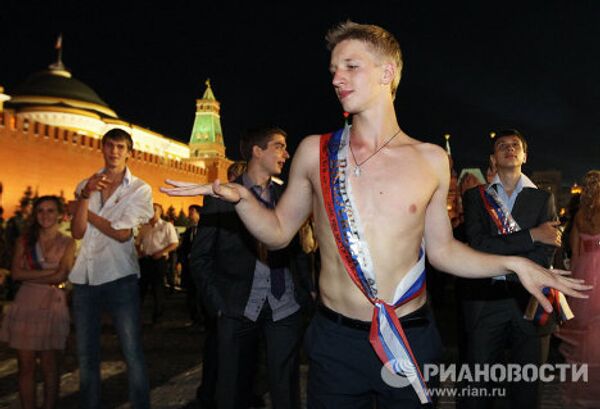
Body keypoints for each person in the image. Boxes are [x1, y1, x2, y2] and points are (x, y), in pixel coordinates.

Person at [162, 21, 588, 407]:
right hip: (335, 340)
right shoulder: (316, 151)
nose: (336, 77)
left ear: (387, 73)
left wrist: (513, 263)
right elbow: (276, 234)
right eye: (333, 69)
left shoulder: (430, 159)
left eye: (350, 66)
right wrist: (242, 200)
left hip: (409, 335)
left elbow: (442, 251)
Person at [191, 126, 312, 409]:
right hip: (236, 308)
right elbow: (200, 258)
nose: (286, 153)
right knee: (232, 391)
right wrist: (218, 305)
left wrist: (305, 293)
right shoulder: (221, 198)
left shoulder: (287, 197)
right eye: (279, 146)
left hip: (284, 308)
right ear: (258, 151)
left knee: (286, 390)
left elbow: (297, 252)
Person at [458, 129, 561, 409]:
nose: (509, 148)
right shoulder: (476, 198)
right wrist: (530, 236)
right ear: (493, 158)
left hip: (528, 301)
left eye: (515, 145)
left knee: (527, 386)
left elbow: (546, 251)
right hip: (485, 300)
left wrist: (529, 241)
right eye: (502, 145)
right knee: (478, 383)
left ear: (525, 156)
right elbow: (478, 245)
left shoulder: (543, 198)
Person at [69, 128, 153, 409]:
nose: (114, 152)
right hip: (85, 279)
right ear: (102, 149)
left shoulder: (140, 189)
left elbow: (121, 234)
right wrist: (84, 195)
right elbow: (78, 232)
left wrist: (86, 208)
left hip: (120, 278)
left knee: (132, 351)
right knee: (86, 356)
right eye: (109, 146)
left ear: (130, 152)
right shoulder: (86, 184)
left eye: (120, 147)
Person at [0, 196, 75, 409]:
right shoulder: (24, 241)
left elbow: (61, 277)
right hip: (26, 305)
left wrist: (31, 273)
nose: (45, 215)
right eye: (40, 211)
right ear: (35, 214)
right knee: (26, 367)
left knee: (50, 367)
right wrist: (52, 271)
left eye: (51, 210)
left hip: (53, 306)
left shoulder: (68, 242)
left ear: (60, 214)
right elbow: (15, 273)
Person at [557, 170, 600, 408]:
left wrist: (577, 275)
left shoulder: (580, 216)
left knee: (586, 331)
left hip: (584, 272)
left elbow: (575, 252)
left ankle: (586, 385)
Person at [136, 202, 179, 323]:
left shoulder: (166, 226)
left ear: (160, 212)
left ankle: (158, 316)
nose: (152, 211)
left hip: (159, 261)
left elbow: (174, 243)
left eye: (155, 209)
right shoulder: (144, 227)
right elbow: (137, 242)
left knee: (157, 289)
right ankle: (135, 316)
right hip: (145, 260)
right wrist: (140, 252)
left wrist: (161, 252)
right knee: (141, 288)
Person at [178, 204, 203, 326]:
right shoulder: (189, 231)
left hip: (202, 268)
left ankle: (203, 320)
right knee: (191, 294)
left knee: (201, 295)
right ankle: (195, 319)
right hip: (190, 268)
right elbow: (183, 248)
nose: (189, 215)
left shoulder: (205, 230)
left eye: (192, 212)